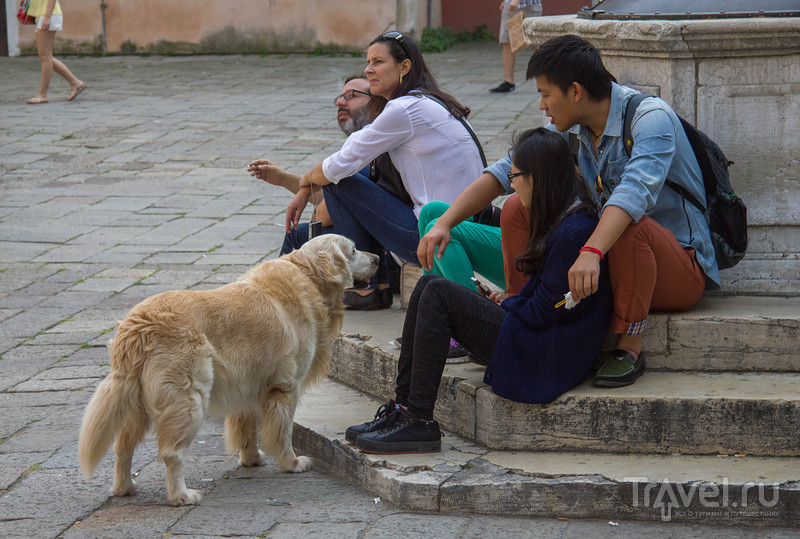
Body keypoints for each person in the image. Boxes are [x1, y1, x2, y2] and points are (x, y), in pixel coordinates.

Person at [346, 128, 612, 454]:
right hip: (534, 334)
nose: (511, 185)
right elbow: (545, 296)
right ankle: (402, 409)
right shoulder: (562, 218)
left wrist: (511, 305)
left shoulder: (575, 230)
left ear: (538, 178)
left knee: (439, 293)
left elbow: (547, 310)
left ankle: (417, 419)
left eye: (515, 176)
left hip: (546, 354)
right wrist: (510, 301)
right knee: (430, 284)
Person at [290, 32, 484, 310]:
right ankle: (375, 284)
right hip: (461, 226)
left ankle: (365, 288)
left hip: (434, 232)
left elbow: (339, 165)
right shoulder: (432, 102)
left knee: (338, 181)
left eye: (378, 62)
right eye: (368, 62)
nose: (369, 69)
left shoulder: (404, 109)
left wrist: (304, 184)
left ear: (404, 67)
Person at [248, 75, 372, 256]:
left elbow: (323, 216)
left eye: (352, 96)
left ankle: (276, 285)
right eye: (340, 97)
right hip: (369, 239)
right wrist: (284, 179)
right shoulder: (363, 142)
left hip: (375, 247)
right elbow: (334, 198)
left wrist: (307, 189)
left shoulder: (368, 146)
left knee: (298, 235)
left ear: (377, 104)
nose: (340, 103)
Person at [26, 0, 86, 104]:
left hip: (48, 15)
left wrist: (47, 17)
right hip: (42, 15)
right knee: (46, 57)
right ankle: (75, 83)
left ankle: (42, 94)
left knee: (46, 57)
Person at [489, 0, 542, 94]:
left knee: (536, 45)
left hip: (529, 6)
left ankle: (544, 81)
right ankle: (508, 83)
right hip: (509, 7)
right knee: (506, 42)